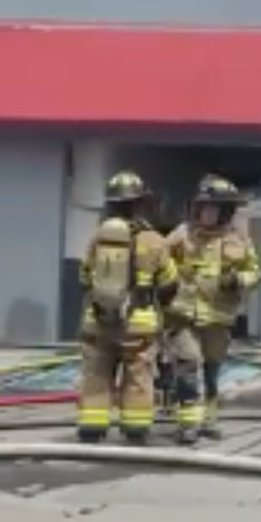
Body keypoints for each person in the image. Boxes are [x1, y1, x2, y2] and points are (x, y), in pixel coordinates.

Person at [76, 171, 178, 445]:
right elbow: (169, 282)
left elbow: (84, 277)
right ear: (140, 203)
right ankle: (135, 429)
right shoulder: (154, 240)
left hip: (98, 320)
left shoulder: (98, 238)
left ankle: (91, 427)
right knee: (137, 374)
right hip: (139, 322)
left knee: (96, 373)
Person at [164, 175, 261, 444]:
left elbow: (254, 273)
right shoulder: (182, 234)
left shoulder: (239, 240)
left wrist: (238, 280)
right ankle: (187, 425)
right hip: (183, 315)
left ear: (225, 212)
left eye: (214, 209)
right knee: (188, 362)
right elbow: (159, 259)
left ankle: (208, 420)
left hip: (218, 318)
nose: (207, 214)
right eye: (204, 208)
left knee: (211, 370)